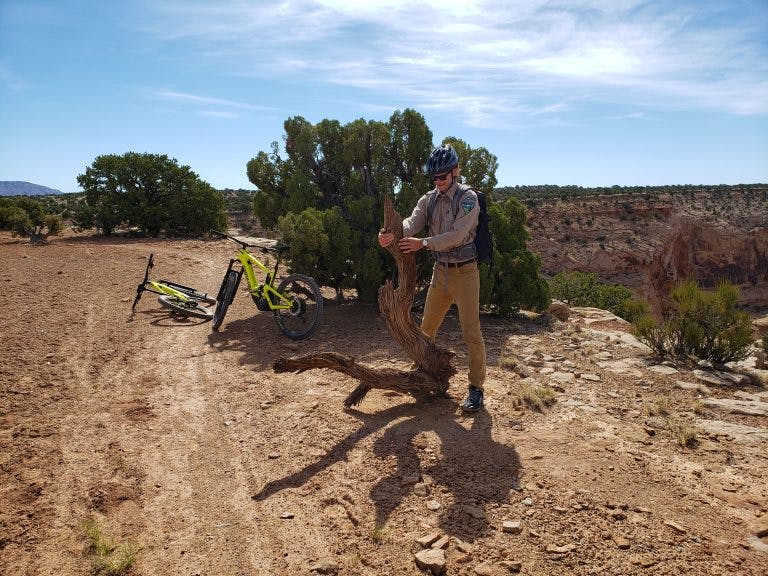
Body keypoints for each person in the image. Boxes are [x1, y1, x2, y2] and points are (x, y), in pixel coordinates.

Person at [378, 144, 486, 412]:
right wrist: (391, 233)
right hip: (441, 273)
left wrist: (422, 243)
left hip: (465, 272)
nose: (438, 181)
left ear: (454, 172)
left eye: (443, 176)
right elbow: (410, 224)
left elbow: (457, 236)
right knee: (427, 328)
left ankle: (476, 389)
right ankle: (422, 372)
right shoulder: (429, 199)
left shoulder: (468, 198)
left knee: (471, 333)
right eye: (434, 177)